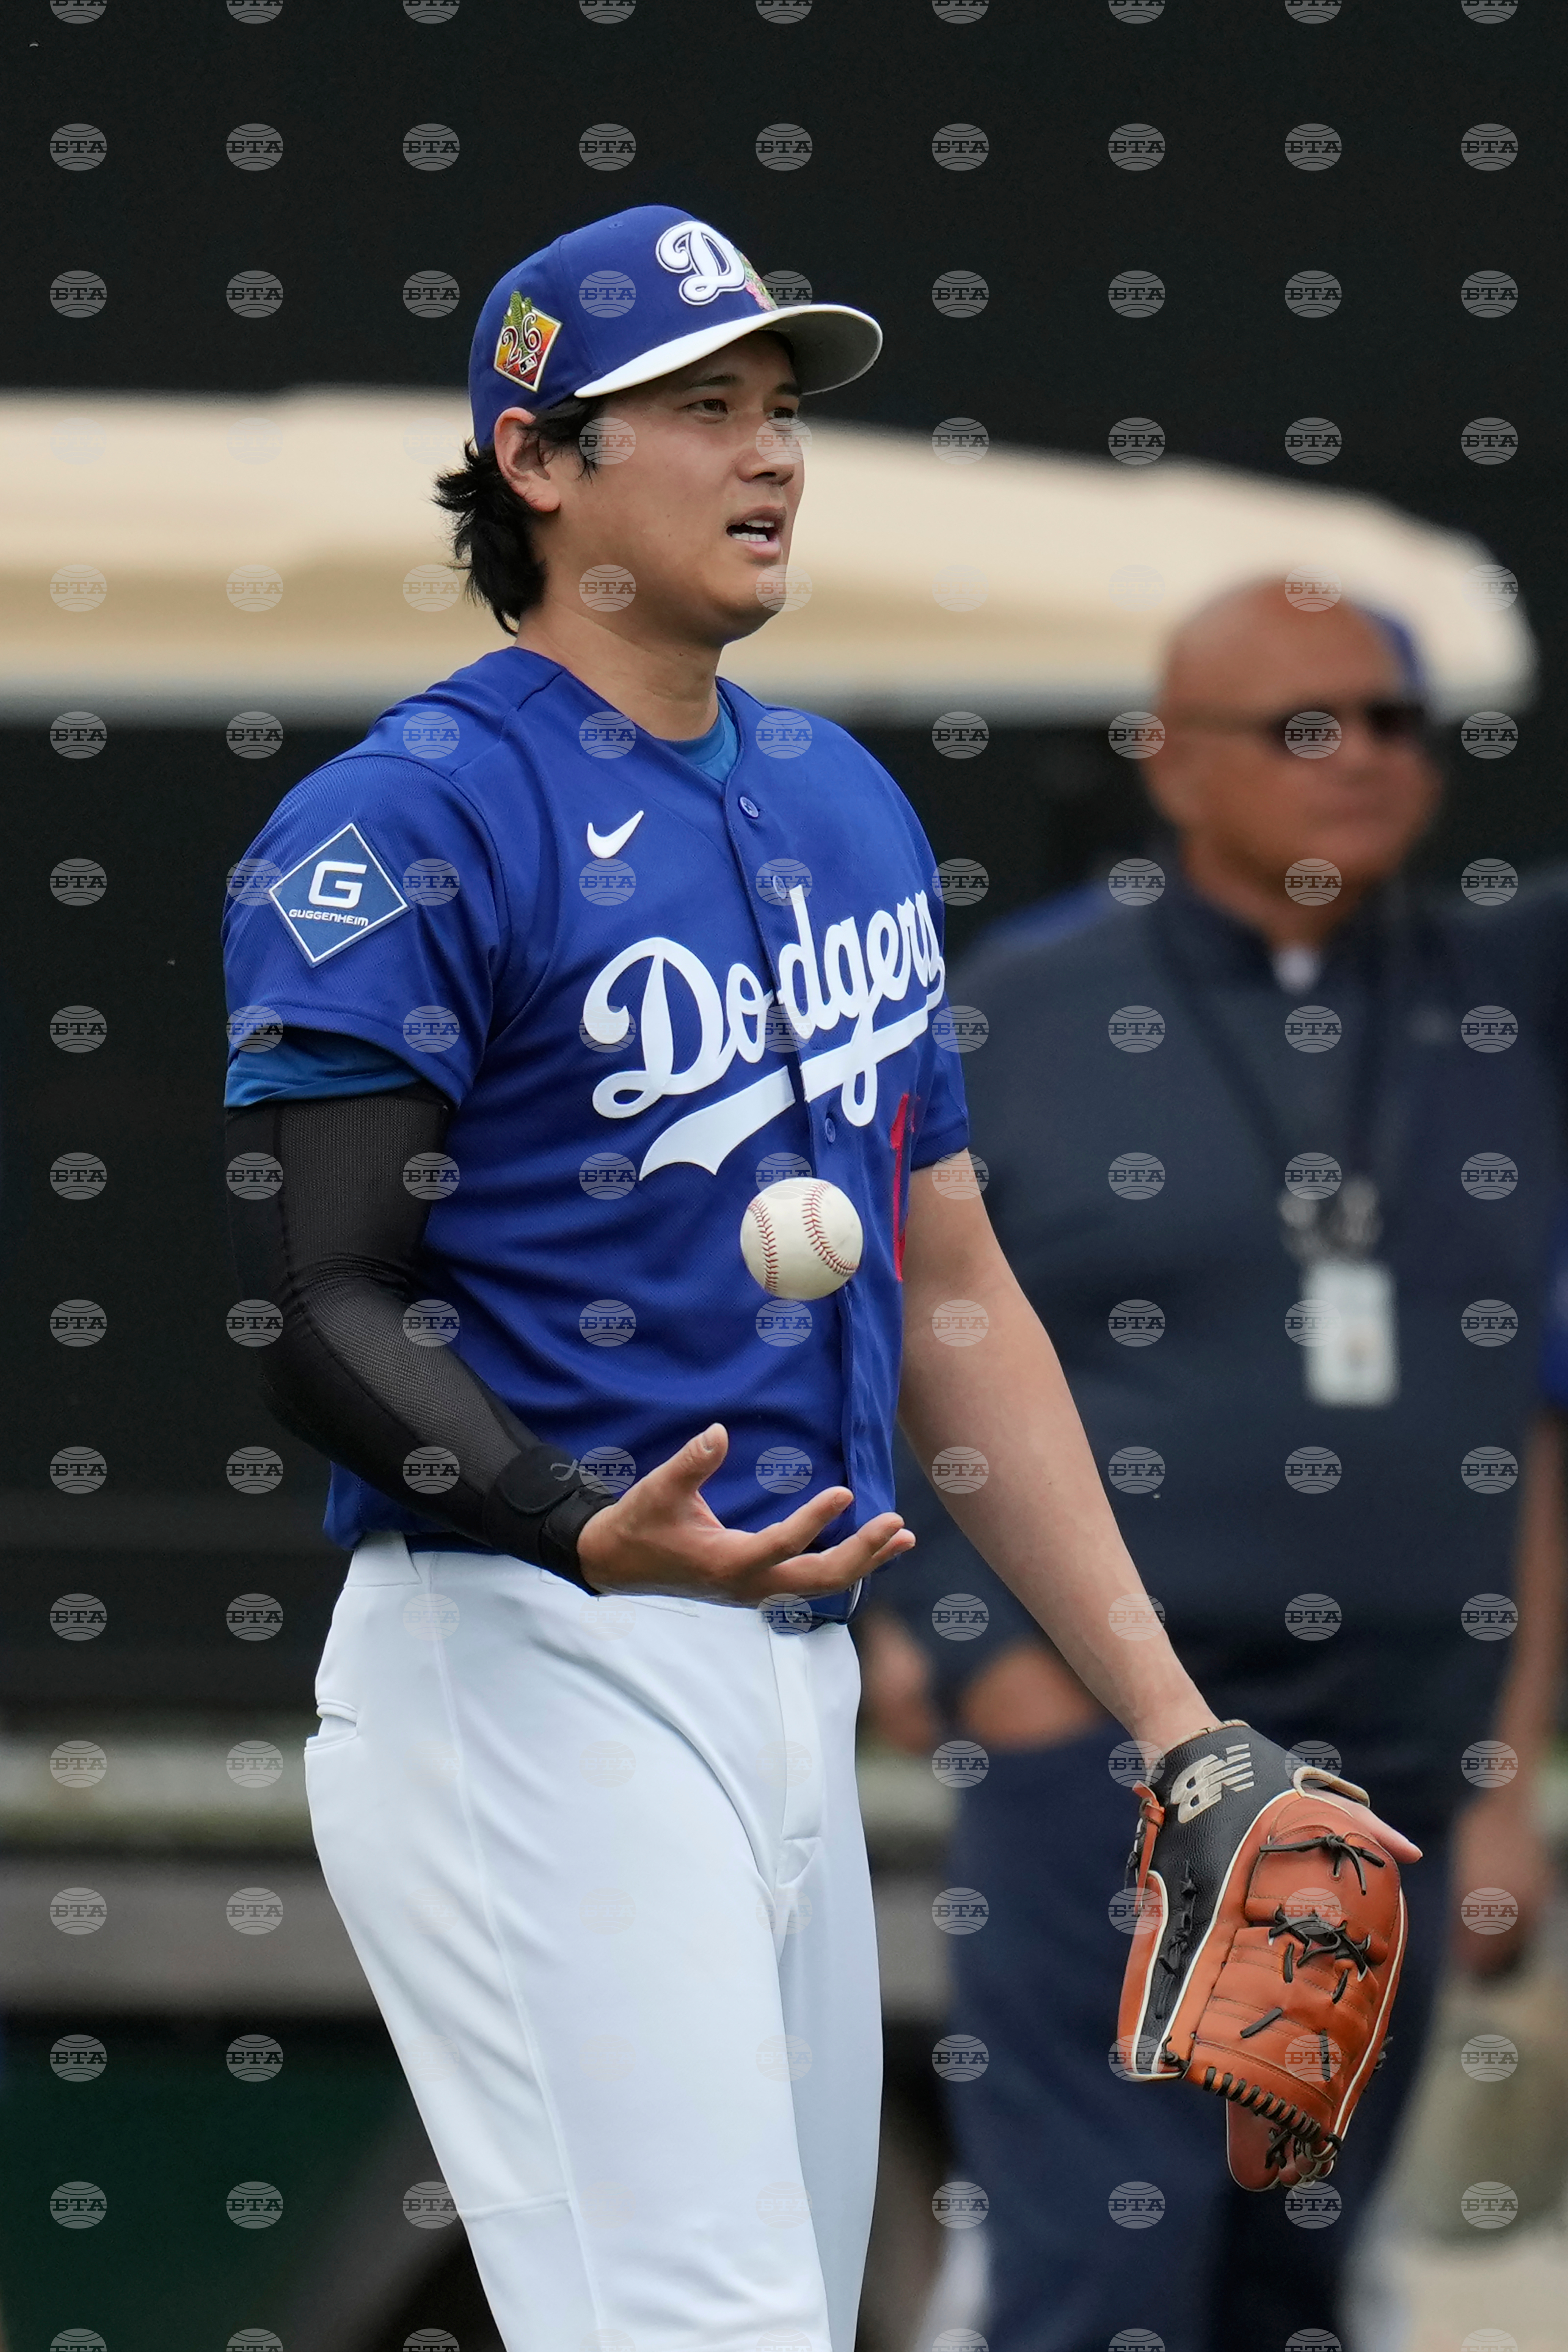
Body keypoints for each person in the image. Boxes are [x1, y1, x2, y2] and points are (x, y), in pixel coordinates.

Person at [220, 214, 1405, 2352]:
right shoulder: (406, 815)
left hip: (788, 1677)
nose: (767, 456)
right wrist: (567, 1514)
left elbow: (948, 1277)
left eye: (779, 411)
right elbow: (325, 1303)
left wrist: (1175, 1731)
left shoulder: (832, 796)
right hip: (525, 1657)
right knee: (703, 2326)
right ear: (537, 458)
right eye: (699, 408)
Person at [861, 577, 1566, 2352]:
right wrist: (959, 1638)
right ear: (1171, 763)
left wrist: (1504, 1768)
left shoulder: (1499, 995)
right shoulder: (1022, 1012)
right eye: (1305, 725)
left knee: (1300, 2267)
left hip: (1397, 1746)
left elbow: (1537, 1418)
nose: (1364, 763)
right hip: (1119, 1740)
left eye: (1398, 722)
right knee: (1111, 2262)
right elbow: (880, 1331)